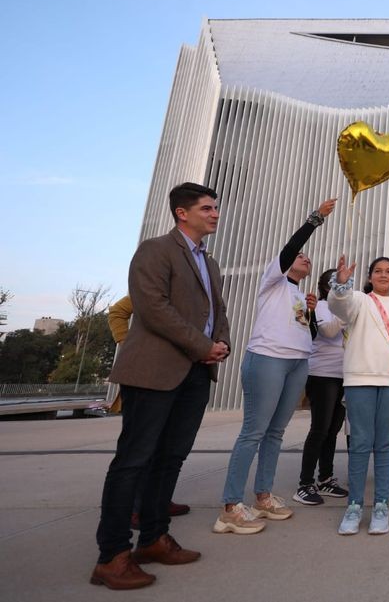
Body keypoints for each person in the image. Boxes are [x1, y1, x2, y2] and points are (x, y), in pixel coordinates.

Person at [92, 183, 230, 590]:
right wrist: (204, 345)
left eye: (216, 208)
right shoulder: (155, 250)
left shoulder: (212, 262)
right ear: (181, 213)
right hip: (156, 370)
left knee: (170, 459)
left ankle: (153, 538)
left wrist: (220, 344)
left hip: (195, 372)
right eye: (207, 208)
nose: (215, 214)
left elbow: (217, 311)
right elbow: (153, 308)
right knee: (134, 460)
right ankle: (112, 555)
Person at [215, 199, 337, 534]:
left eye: (307, 259)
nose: (305, 258)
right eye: (301, 257)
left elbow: (311, 335)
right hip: (268, 358)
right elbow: (289, 249)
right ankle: (229, 506)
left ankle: (263, 497)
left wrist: (312, 313)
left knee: (275, 432)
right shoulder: (273, 281)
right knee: (253, 431)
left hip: (298, 363)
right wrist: (315, 219)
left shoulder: (301, 295)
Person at [329, 255, 389, 535]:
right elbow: (339, 306)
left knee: (386, 444)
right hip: (359, 379)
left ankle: (382, 505)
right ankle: (354, 506)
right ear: (370, 276)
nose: (383, 275)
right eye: (378, 271)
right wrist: (341, 284)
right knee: (360, 443)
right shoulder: (358, 299)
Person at [106, 295, 192, 527]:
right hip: (147, 372)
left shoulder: (191, 291)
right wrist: (126, 341)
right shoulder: (155, 286)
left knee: (167, 446)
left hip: (176, 372)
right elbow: (116, 312)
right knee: (142, 447)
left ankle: (157, 501)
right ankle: (133, 508)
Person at [293, 270, 349, 506]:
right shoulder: (322, 307)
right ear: (327, 287)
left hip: (344, 375)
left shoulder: (345, 307)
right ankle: (305, 484)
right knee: (320, 429)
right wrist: (347, 314)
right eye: (339, 282)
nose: (344, 286)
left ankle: (325, 478)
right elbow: (328, 331)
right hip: (322, 373)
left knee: (333, 430)